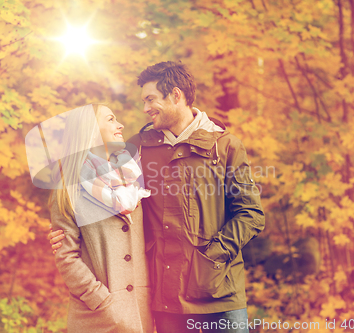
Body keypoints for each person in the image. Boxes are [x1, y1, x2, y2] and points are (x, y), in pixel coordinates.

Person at [49, 62, 265, 333]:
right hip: (165, 297)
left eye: (151, 99)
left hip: (220, 293)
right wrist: (64, 228)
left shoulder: (225, 146)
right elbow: (96, 185)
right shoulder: (136, 148)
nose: (145, 108)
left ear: (176, 95)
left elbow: (251, 214)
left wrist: (210, 258)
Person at [42, 104, 154, 333]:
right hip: (97, 316)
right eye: (111, 119)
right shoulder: (69, 190)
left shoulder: (134, 179)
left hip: (143, 310)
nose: (120, 124)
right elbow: (67, 257)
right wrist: (101, 300)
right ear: (90, 129)